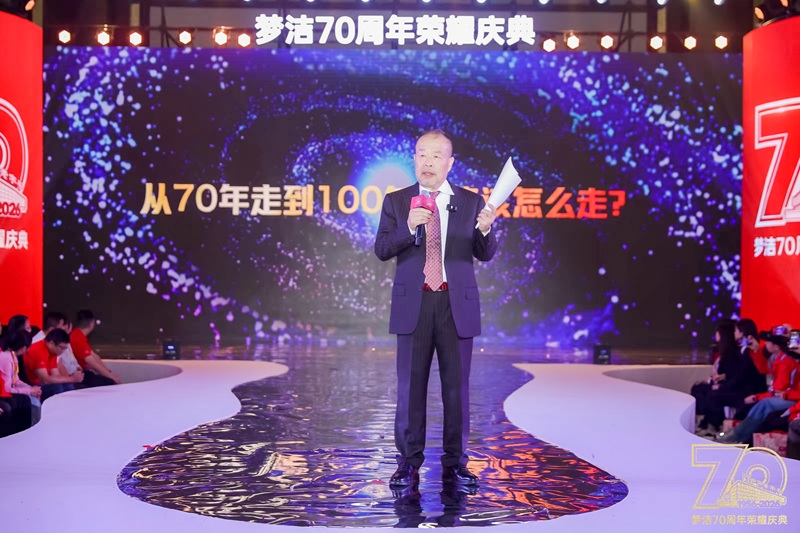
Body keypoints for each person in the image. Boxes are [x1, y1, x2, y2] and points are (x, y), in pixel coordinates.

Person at [375, 129, 498, 488]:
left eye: (435, 155)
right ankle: (407, 463)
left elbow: (484, 254)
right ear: (414, 158)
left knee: (456, 391)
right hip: (414, 304)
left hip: (454, 305)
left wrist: (486, 230)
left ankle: (455, 463)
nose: (427, 162)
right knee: (410, 390)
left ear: (449, 163)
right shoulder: (397, 201)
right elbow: (382, 249)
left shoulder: (471, 202)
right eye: (421, 154)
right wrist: (407, 227)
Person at [718, 331, 800, 444]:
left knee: (762, 404)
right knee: (757, 405)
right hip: (789, 396)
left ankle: (737, 436)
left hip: (791, 398)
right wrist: (756, 350)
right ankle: (737, 436)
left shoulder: (785, 361)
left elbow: (779, 388)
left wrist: (758, 397)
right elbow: (764, 370)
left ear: (776, 346)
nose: (765, 344)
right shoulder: (779, 359)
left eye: (768, 342)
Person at [23, 329, 84, 400]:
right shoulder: (37, 350)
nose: (63, 351)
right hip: (32, 384)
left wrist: (72, 378)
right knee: (57, 388)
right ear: (51, 344)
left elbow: (56, 375)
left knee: (67, 385)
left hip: (42, 383)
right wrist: (72, 378)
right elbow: (45, 380)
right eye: (62, 348)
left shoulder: (53, 351)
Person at [69, 309, 121, 387]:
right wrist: (111, 376)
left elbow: (95, 356)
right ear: (91, 323)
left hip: (84, 371)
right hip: (78, 373)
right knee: (108, 381)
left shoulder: (79, 335)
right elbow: (92, 362)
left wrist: (109, 373)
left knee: (107, 379)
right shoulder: (77, 338)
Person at [0, 331, 42, 425]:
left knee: (33, 396)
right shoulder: (6, 358)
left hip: (7, 391)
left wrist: (31, 389)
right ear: (24, 348)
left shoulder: (12, 356)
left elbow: (16, 380)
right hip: (3, 393)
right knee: (29, 401)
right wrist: (29, 391)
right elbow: (6, 388)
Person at [32, 312, 82, 378]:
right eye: (61, 327)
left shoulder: (56, 340)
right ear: (52, 330)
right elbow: (59, 367)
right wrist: (71, 380)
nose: (64, 329)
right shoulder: (37, 343)